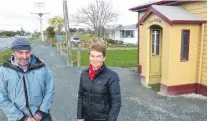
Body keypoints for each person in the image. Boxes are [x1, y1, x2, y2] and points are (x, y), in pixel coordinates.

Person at [0, 38, 55, 121]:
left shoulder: (42, 66)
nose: (24, 56)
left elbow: (50, 89)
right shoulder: (4, 70)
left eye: (27, 52)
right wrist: (22, 118)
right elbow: (2, 98)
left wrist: (41, 112)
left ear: (31, 51)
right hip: (17, 118)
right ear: (13, 53)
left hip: (42, 116)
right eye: (20, 53)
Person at [77, 42, 122, 121]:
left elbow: (116, 102)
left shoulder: (112, 76)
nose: (95, 59)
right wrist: (80, 117)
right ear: (89, 56)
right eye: (92, 56)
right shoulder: (84, 74)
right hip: (87, 117)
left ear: (104, 58)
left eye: (98, 56)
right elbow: (81, 96)